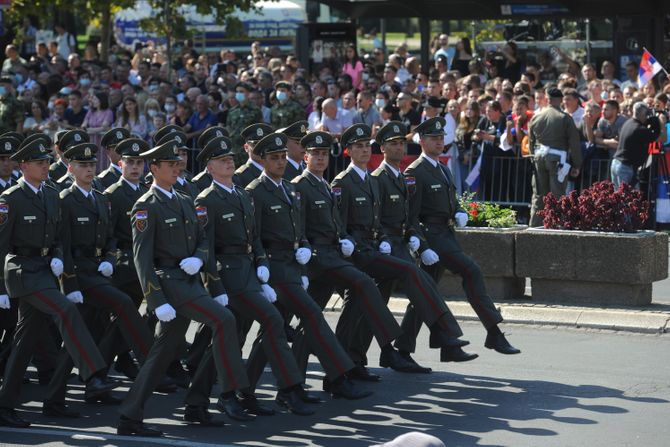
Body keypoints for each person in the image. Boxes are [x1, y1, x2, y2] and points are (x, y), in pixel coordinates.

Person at [117, 139, 249, 436]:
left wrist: (197, 258)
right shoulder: (146, 206)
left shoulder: (185, 199)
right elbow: (143, 260)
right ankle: (229, 391)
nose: (178, 168)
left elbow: (204, 240)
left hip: (189, 280)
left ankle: (133, 414)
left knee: (161, 353)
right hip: (170, 284)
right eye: (170, 165)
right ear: (154, 169)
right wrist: (155, 300)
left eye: (178, 164)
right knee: (225, 320)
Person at [190, 135, 314, 416]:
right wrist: (215, 286)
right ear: (209, 167)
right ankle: (285, 388)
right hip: (228, 278)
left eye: (230, 159)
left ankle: (205, 398)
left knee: (228, 335)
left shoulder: (242, 194)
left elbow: (254, 237)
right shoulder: (206, 200)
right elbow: (206, 248)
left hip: (249, 274)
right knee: (270, 319)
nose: (229, 163)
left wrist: (262, 266)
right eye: (222, 161)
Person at [0, 138, 118, 428]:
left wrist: (56, 257)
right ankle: (94, 373)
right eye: (39, 163)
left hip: (45, 271)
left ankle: (20, 404)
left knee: (24, 342)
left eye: (46, 162)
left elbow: (58, 237)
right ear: (24, 166)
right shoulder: (10, 199)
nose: (45, 167)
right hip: (22, 272)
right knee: (65, 310)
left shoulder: (51, 195)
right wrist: (0, 288)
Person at [245, 132, 372, 400]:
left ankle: (248, 389)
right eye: (274, 158)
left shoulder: (289, 189)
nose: (280, 162)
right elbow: (252, 235)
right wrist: (261, 268)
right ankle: (337, 376)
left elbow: (298, 231)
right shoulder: (255, 191)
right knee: (313, 315)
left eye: (282, 157)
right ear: (263, 160)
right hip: (274, 270)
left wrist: (302, 259)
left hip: (293, 266)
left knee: (273, 329)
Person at [42, 141, 154, 417]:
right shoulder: (65, 199)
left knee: (81, 338)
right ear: (70, 168)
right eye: (83, 165)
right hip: (79, 274)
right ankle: (151, 358)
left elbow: (112, 237)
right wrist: (69, 283)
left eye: (92, 165)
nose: (89, 170)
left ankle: (61, 397)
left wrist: (109, 259)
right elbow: (62, 244)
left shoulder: (100, 198)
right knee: (123, 303)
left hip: (97, 269)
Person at [406, 117, 520, 355]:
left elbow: (451, 200)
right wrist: (421, 245)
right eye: (434, 138)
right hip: (433, 237)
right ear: (422, 141)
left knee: (425, 293)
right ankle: (494, 332)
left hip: (446, 233)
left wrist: (458, 211)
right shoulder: (415, 172)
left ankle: (404, 348)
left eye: (441, 138)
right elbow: (410, 214)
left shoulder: (442, 168)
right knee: (471, 270)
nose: (440, 142)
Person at [528, 88, 582, 226]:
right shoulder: (564, 118)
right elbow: (574, 143)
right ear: (560, 100)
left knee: (539, 196)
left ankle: (534, 226)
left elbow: (531, 143)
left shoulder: (536, 117)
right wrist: (577, 164)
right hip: (558, 160)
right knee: (557, 195)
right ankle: (558, 226)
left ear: (547, 99)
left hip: (539, 158)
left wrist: (533, 159)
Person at [611, 101, 667, 187]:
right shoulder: (639, 129)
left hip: (617, 164)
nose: (647, 116)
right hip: (625, 168)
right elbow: (663, 139)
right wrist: (662, 122)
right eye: (646, 113)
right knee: (630, 198)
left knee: (619, 198)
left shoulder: (628, 123)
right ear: (642, 114)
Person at [226, 82, 263, 167]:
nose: (239, 94)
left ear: (248, 93)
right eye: (237, 91)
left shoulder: (255, 111)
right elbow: (228, 128)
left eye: (241, 91)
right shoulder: (232, 111)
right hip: (234, 150)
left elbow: (259, 131)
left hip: (248, 150)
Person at [233, 123, 273, 188]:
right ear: (246, 147)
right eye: (256, 145)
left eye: (265, 144)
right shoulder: (239, 176)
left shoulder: (277, 169)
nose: (261, 148)